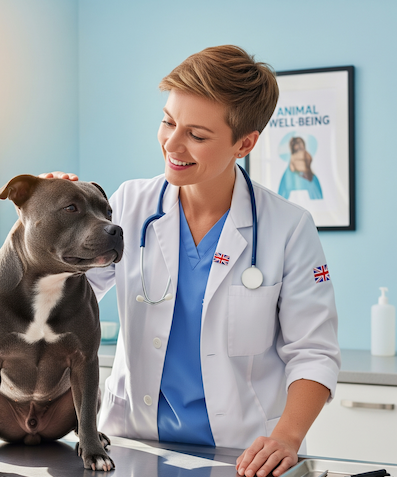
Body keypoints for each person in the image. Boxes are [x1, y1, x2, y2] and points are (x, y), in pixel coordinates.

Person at [44, 45, 340, 477]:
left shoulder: (288, 228)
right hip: (132, 443)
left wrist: (287, 437)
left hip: (243, 454)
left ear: (245, 143)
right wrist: (53, 225)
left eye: (197, 135)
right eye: (167, 121)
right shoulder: (128, 204)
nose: (173, 144)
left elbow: (313, 353)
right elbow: (70, 297)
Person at [278, 136, 323, 200]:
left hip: (307, 177)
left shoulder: (306, 154)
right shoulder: (293, 158)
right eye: (297, 143)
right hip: (294, 178)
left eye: (301, 143)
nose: (299, 145)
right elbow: (292, 168)